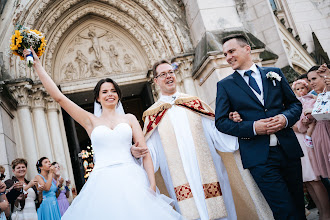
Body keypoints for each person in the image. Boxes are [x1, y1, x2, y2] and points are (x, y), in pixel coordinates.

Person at [23, 48, 183, 220]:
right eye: (104, 92)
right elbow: (59, 97)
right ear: (97, 98)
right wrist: (38, 66)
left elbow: (145, 154)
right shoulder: (90, 121)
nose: (110, 95)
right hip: (102, 181)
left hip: (133, 178)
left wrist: (151, 184)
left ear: (118, 95)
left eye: (113, 91)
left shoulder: (130, 119)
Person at [131, 60, 274, 220]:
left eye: (171, 72)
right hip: (178, 177)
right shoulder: (153, 114)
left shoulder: (194, 103)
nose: (168, 77)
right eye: (163, 74)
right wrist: (136, 154)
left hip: (209, 169)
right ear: (156, 81)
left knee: (221, 210)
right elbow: (150, 151)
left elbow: (216, 132)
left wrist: (233, 124)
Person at [215, 34, 305, 220]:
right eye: (225, 54)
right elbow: (221, 121)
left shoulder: (274, 73)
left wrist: (284, 118)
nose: (228, 57)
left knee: (298, 205)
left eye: (232, 51)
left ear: (247, 49)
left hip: (288, 150)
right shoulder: (225, 85)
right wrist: (253, 127)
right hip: (259, 157)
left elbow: (294, 105)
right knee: (283, 210)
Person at [307, 66, 330, 178]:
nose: (311, 83)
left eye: (314, 79)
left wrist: (327, 76)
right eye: (309, 80)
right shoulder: (319, 96)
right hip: (321, 138)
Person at [291, 79, 316, 147]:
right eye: (298, 89)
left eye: (302, 88)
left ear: (307, 88)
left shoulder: (310, 96)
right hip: (303, 115)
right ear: (295, 91)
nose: (301, 90)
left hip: (311, 114)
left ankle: (309, 136)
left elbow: (316, 100)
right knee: (310, 126)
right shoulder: (297, 100)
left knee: (312, 125)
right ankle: (308, 137)